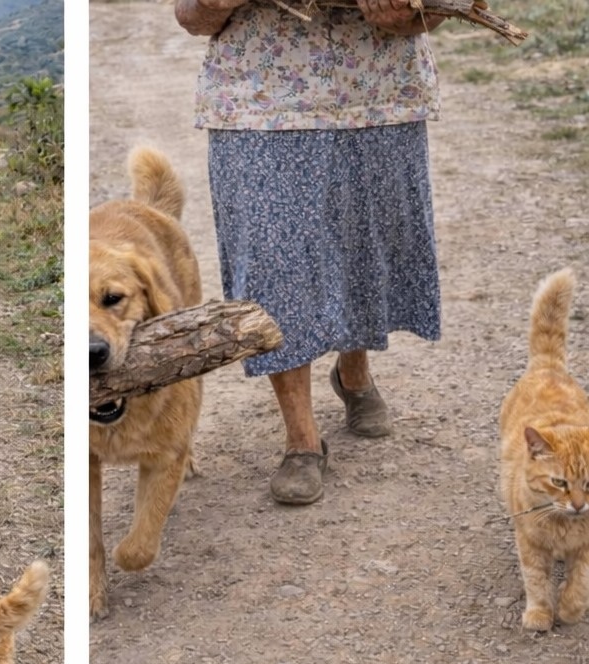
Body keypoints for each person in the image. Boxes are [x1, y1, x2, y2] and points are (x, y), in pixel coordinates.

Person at [174, 0, 445, 505]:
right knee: (275, 269)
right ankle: (301, 439)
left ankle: (353, 373)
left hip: (375, 90)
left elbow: (435, 10)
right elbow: (192, 16)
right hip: (259, 100)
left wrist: (410, 12)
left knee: (360, 245)